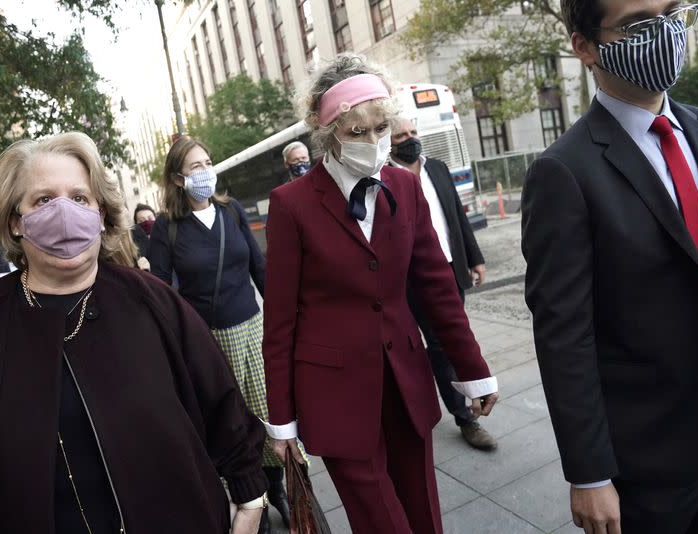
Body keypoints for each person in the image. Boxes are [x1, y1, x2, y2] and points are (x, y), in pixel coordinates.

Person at [0, 132, 267, 533]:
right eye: (43, 200)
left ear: (101, 214)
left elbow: (222, 405)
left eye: (79, 198)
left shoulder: (154, 303)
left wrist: (250, 498)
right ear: (16, 222)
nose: (64, 212)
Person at [263, 54, 499, 534]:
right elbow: (280, 318)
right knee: (380, 521)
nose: (374, 142)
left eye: (381, 127)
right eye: (357, 132)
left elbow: (437, 287)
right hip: (332, 392)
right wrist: (281, 420)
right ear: (328, 133)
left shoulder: (405, 187)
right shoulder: (291, 205)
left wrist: (473, 371)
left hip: (404, 378)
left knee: (421, 511)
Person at [522, 2, 698, 533]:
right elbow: (564, 333)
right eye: (639, 24)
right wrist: (589, 474)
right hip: (654, 460)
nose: (664, 32)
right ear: (584, 46)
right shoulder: (563, 172)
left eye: (672, 12)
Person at [147, 136, 288, 533]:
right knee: (231, 426)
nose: (205, 172)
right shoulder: (167, 228)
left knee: (268, 417)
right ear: (177, 178)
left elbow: (259, 269)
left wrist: (281, 320)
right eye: (195, 167)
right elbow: (160, 292)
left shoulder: (231, 211)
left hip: (254, 330)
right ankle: (251, 501)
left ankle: (277, 490)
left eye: (208, 163)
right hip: (208, 343)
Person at [389, 116, 496, 451]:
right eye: (401, 135)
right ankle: (465, 416)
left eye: (413, 132)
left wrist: (474, 258)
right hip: (411, 277)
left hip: (450, 266)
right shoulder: (385, 179)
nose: (410, 139)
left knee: (449, 338)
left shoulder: (437, 168)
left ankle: (460, 404)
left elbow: (457, 217)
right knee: (437, 344)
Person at [130, 203, 156, 270]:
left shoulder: (166, 237)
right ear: (136, 224)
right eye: (142, 220)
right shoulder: (134, 246)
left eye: (150, 218)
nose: (147, 222)